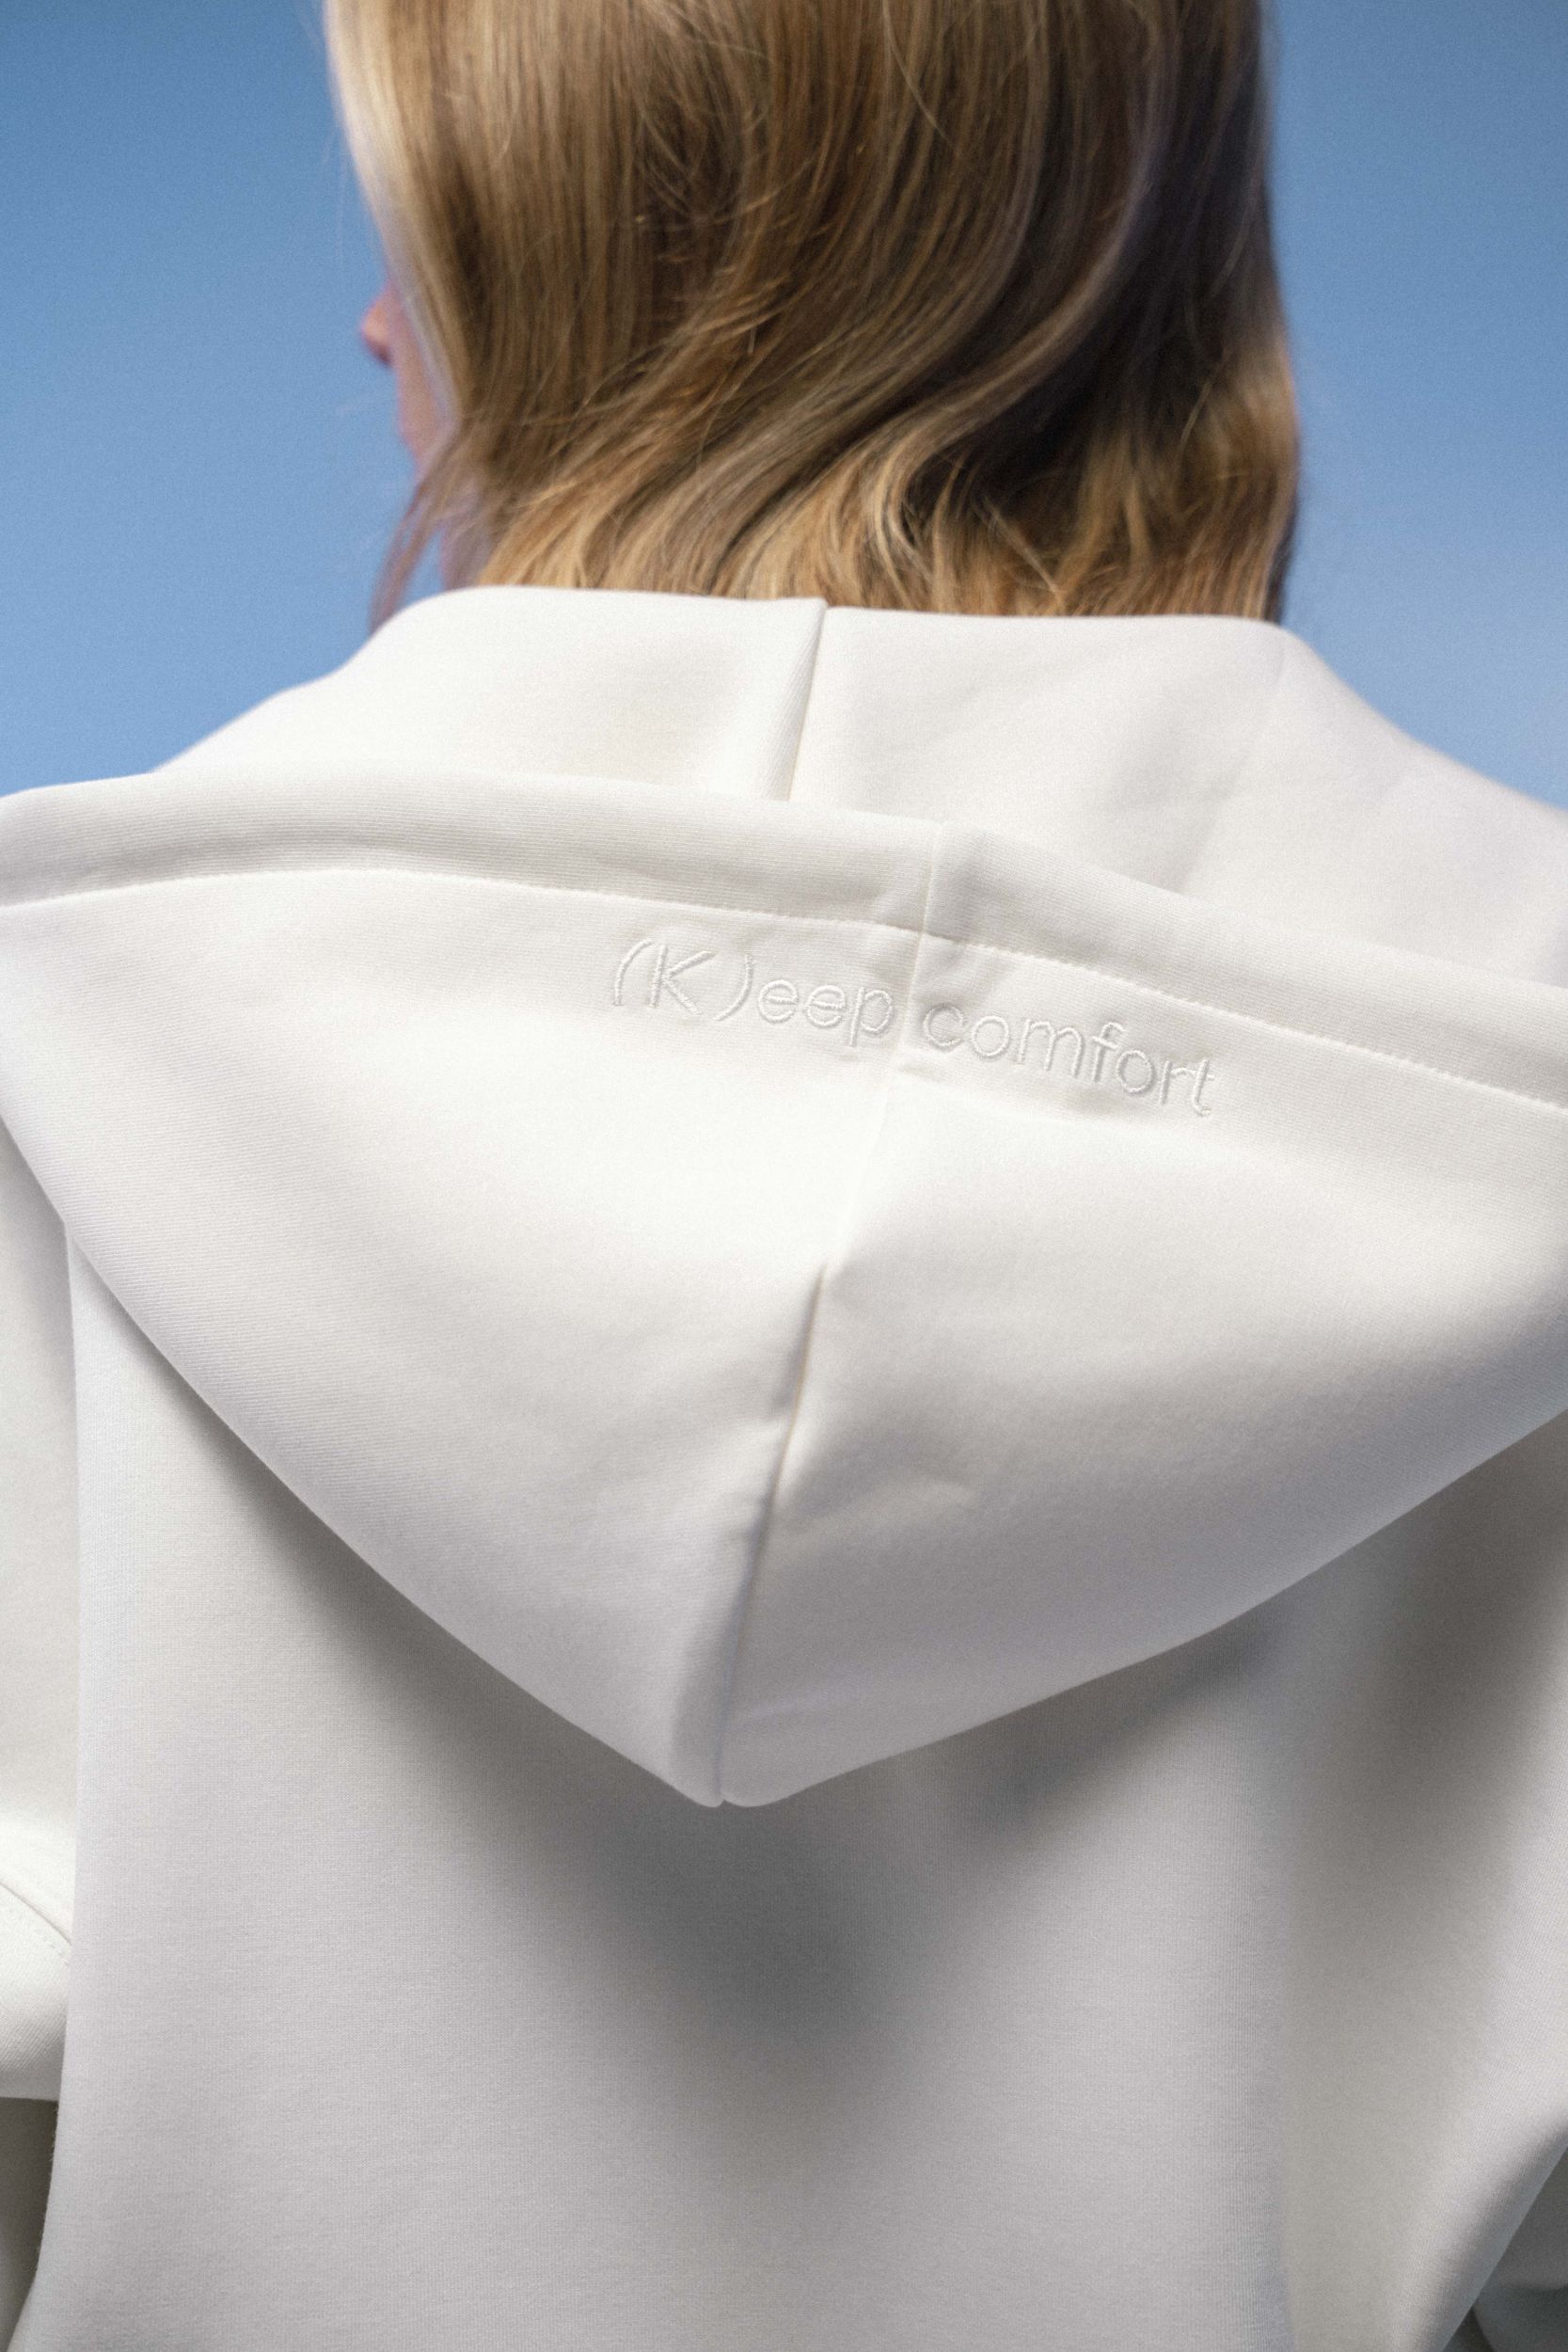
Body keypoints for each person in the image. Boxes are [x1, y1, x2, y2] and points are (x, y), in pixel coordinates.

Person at [2, 2, 1565, 2346]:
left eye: (436, 227)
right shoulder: (1505, 1060)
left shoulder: (60, 1042)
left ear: (603, 278)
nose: (375, 323)